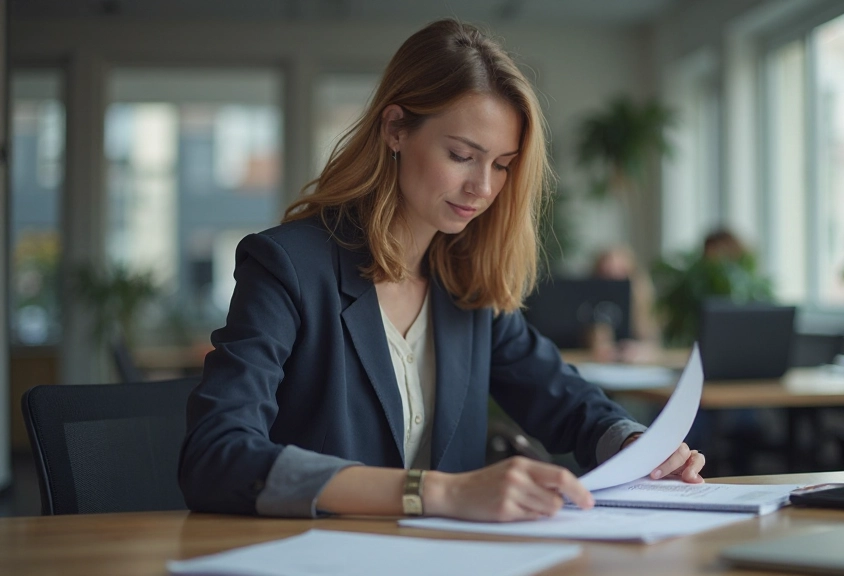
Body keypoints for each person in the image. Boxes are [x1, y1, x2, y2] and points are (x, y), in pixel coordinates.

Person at [178, 19, 705, 521]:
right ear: (396, 129)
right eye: (461, 155)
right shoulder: (288, 266)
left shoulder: (466, 283)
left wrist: (640, 447)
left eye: (501, 165)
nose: (483, 187)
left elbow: (566, 401)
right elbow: (216, 455)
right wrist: (439, 492)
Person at [591, 246, 662, 363]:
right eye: (607, 274)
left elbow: (656, 346)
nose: (614, 280)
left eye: (621, 273)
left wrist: (642, 350)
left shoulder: (645, 306)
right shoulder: (590, 308)